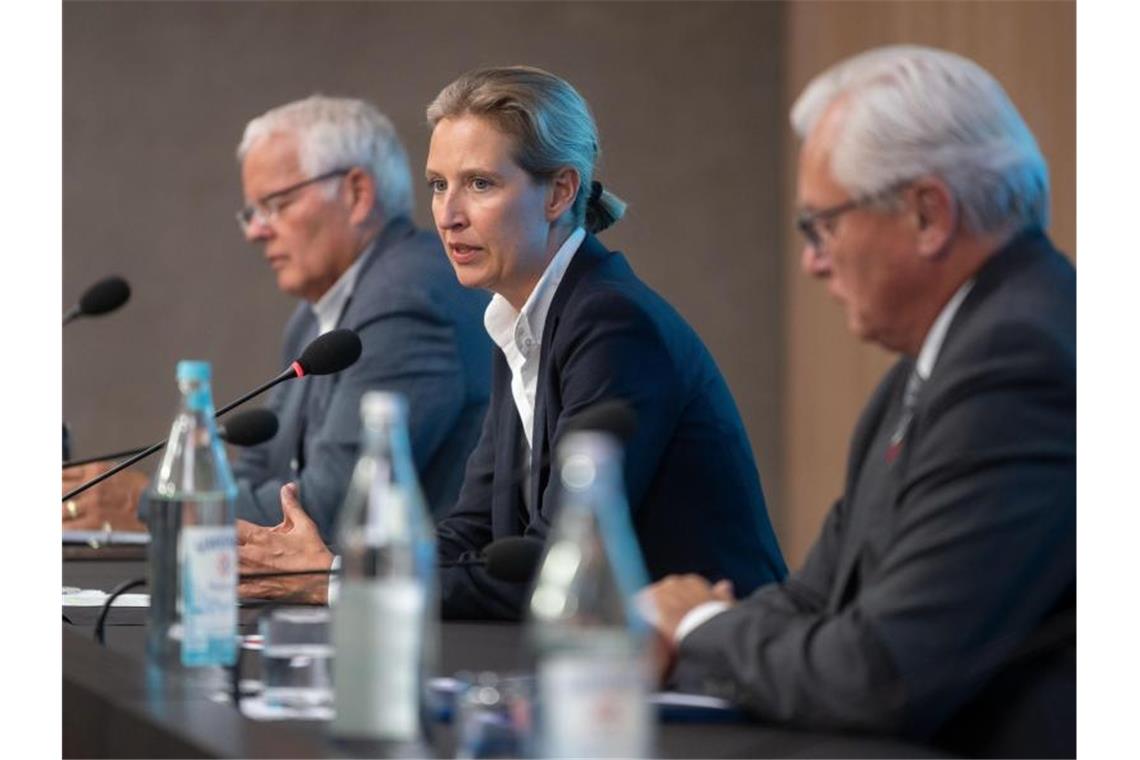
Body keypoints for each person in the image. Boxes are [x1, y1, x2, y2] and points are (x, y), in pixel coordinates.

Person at [641, 46, 1075, 757]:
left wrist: (695, 630)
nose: (813, 260)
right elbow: (821, 598)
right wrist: (673, 626)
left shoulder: (1020, 362)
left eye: (823, 225)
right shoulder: (934, 362)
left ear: (928, 214)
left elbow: (879, 677)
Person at [237, 67, 787, 616]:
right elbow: (468, 533)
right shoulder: (523, 317)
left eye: (480, 184)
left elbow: (558, 564)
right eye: (437, 185)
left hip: (710, 671)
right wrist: (338, 575)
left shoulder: (612, 323)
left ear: (559, 192)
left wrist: (336, 580)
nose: (449, 216)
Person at [62, 95, 492, 540]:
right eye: (252, 212)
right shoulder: (314, 316)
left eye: (277, 204)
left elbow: (329, 508)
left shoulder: (407, 299)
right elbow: (259, 466)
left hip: (406, 599)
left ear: (357, 193)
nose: (255, 231)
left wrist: (153, 503)